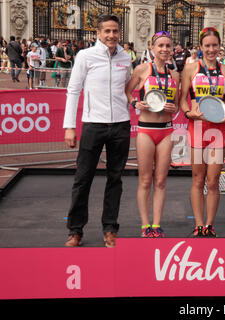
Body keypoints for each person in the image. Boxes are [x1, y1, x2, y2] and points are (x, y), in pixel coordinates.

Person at [63, 14, 132, 248]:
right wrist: (69, 127)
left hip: (121, 124)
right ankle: (75, 230)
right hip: (93, 124)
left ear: (119, 32)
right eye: (107, 31)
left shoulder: (125, 57)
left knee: (115, 179)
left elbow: (128, 89)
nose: (111, 35)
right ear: (98, 33)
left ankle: (110, 228)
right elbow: (73, 90)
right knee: (83, 179)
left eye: (115, 31)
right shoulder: (85, 56)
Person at [180, 27, 225, 237]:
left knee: (213, 180)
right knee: (197, 179)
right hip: (197, 128)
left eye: (214, 45)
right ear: (201, 48)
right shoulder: (191, 69)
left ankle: (210, 225)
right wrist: (188, 112)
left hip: (218, 130)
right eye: (207, 46)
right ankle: (199, 224)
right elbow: (182, 99)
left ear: (219, 46)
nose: (211, 49)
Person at [125, 31, 180, 238]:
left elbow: (177, 104)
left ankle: (157, 225)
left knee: (161, 181)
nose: (165, 49)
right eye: (161, 46)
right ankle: (145, 225)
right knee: (145, 180)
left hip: (166, 130)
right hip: (146, 130)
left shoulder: (175, 75)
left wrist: (175, 109)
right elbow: (127, 91)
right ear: (152, 48)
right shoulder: (142, 70)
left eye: (168, 46)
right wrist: (134, 103)